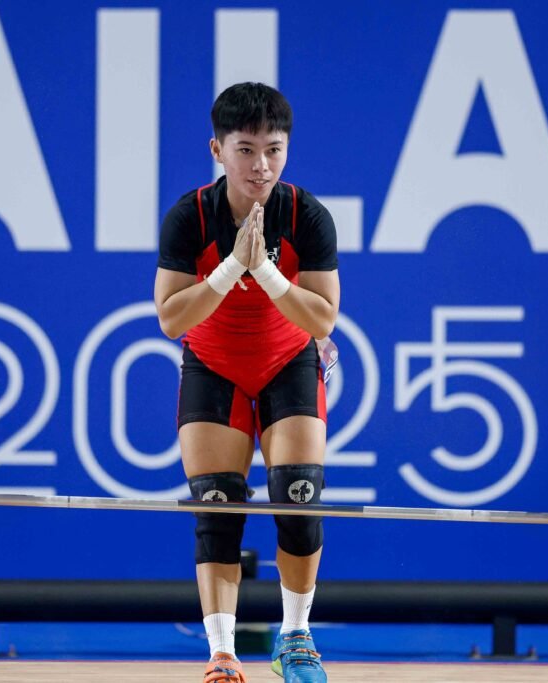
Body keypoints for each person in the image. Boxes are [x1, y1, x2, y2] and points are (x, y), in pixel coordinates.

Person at [155, 82, 339, 683]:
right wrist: (233, 264)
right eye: (246, 149)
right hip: (214, 368)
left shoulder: (306, 216)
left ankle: (296, 639)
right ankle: (222, 655)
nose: (261, 165)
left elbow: (322, 318)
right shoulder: (191, 217)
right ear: (217, 149)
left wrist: (264, 271)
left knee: (300, 501)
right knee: (217, 512)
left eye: (274, 150)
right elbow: (170, 319)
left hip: (288, 363)